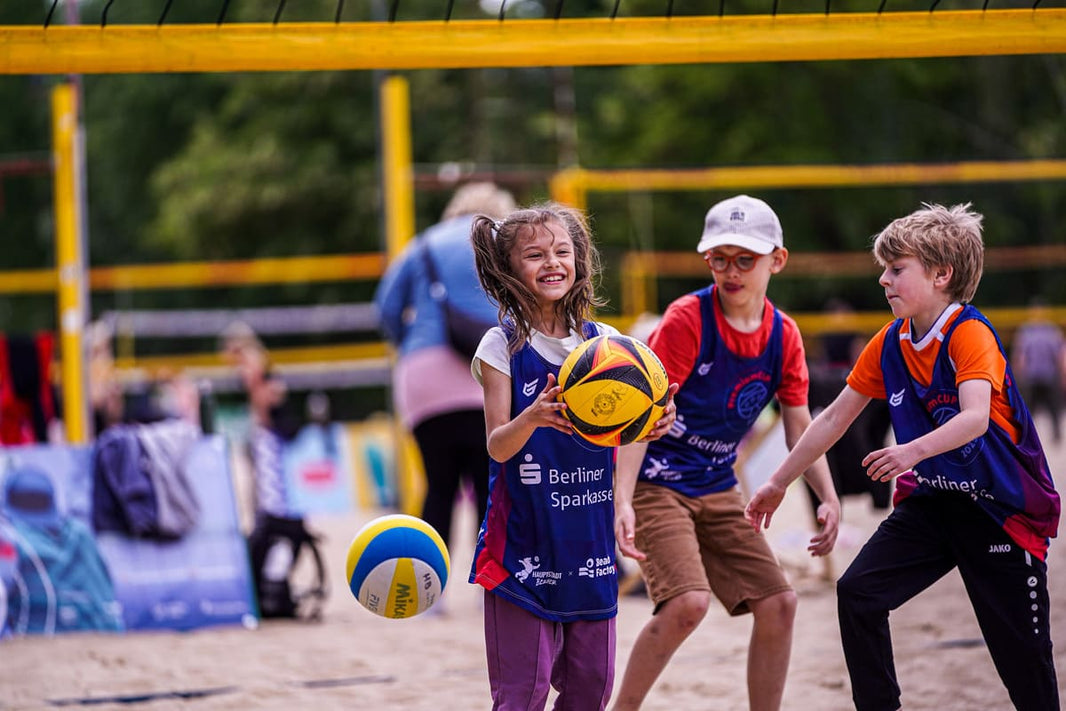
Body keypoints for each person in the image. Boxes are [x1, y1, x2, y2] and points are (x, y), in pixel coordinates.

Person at [745, 203, 1061, 711]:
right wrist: (779, 482)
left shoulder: (969, 333)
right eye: (884, 270)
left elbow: (975, 417)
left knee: (1024, 661)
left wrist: (909, 451)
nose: (883, 280)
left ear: (941, 275)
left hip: (1000, 510)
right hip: (933, 503)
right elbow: (833, 418)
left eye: (896, 269)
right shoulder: (890, 341)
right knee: (859, 594)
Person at [612, 194, 840, 711]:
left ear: (777, 260)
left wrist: (827, 496)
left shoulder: (783, 335)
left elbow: (799, 428)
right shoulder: (688, 319)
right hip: (658, 482)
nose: (731, 271)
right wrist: (622, 499)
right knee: (687, 603)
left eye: (745, 259)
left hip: (717, 485)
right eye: (719, 258)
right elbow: (639, 415)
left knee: (780, 603)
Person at [468, 202, 677, 710]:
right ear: (507, 268)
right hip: (521, 547)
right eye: (535, 255)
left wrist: (653, 421)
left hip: (589, 545)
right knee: (525, 691)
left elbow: (631, 435)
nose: (552, 263)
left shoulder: (607, 345)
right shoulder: (501, 346)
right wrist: (532, 417)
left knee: (592, 687)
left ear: (579, 259)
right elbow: (497, 445)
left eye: (562, 251)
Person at [375, 182, 516, 559]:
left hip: (424, 376)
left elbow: (386, 309)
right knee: (491, 489)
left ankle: (426, 582)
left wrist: (412, 342)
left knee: (438, 487)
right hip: (491, 373)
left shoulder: (423, 245)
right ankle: (490, 579)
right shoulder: (505, 241)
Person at [220, 321, 306, 619]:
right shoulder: (263, 371)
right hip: (267, 440)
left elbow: (262, 401)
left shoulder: (258, 372)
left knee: (271, 514)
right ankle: (272, 583)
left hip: (267, 440)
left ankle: (270, 584)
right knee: (268, 515)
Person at [1011, 297, 1065, 444]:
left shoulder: (1050, 330)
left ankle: (1055, 436)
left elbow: (1060, 355)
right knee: (1030, 409)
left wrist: (1062, 374)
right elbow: (1020, 355)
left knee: (1054, 408)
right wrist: (1018, 374)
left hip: (1048, 375)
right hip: (1033, 376)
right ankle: (1028, 435)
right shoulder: (1027, 331)